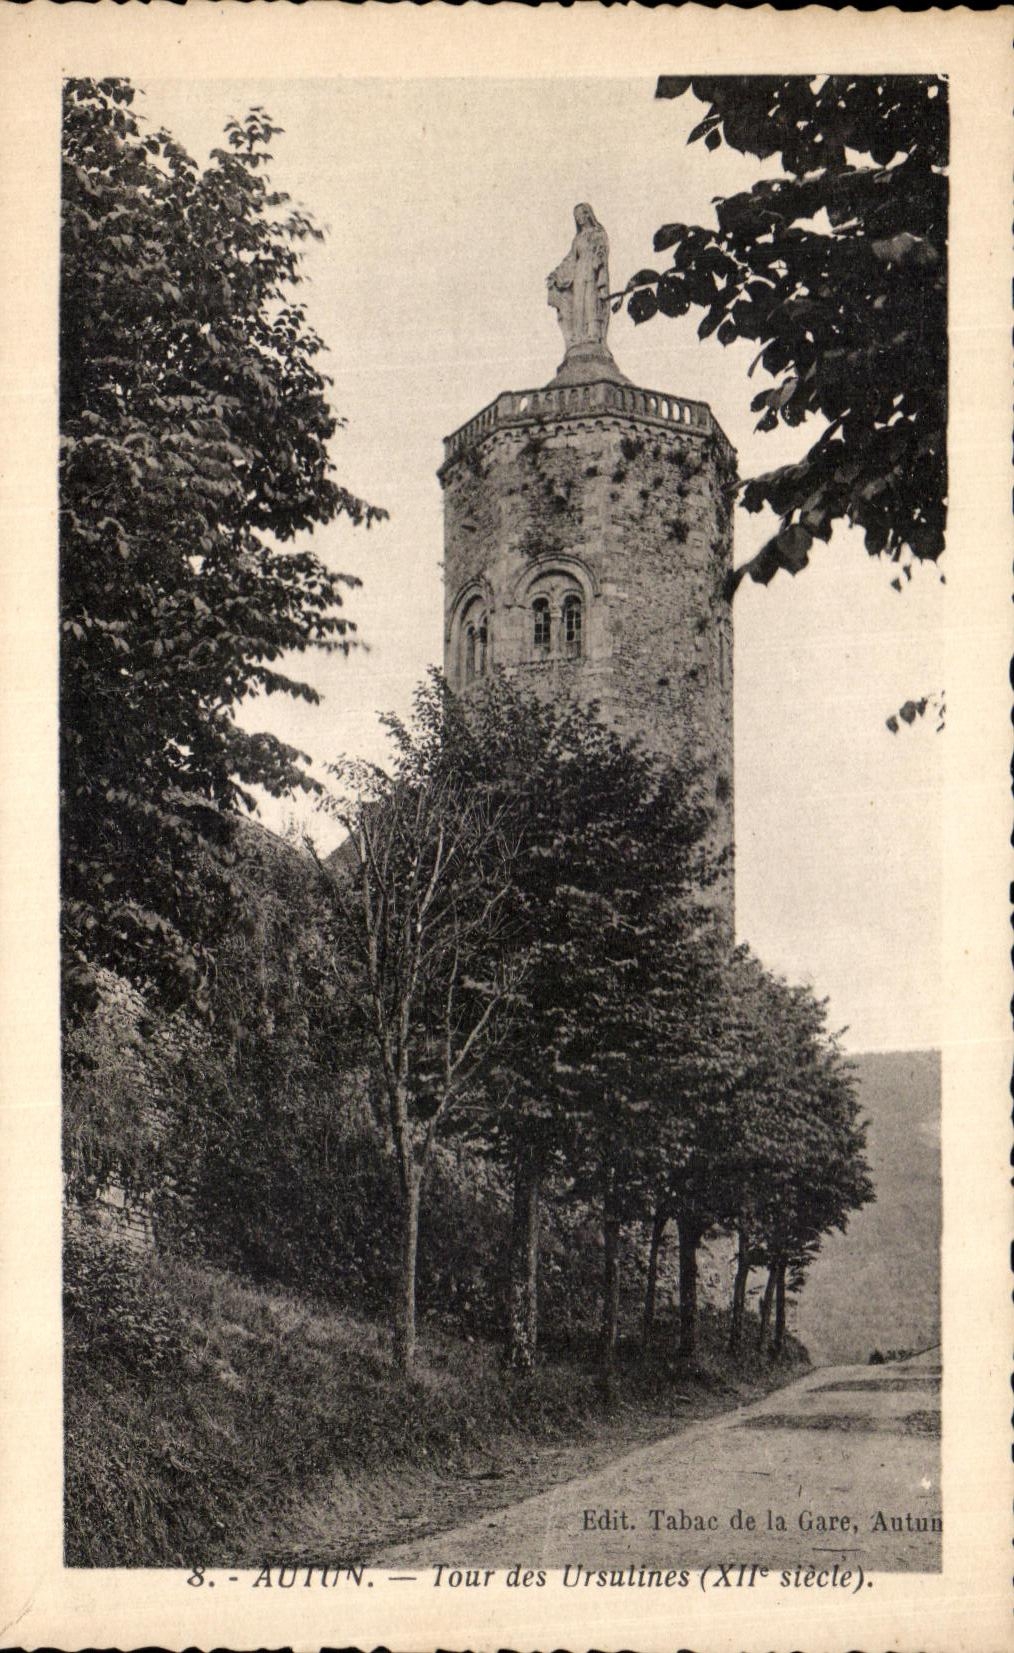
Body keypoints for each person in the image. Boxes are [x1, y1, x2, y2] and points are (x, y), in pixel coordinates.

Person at [547, 204, 611, 351]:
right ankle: (579, 336)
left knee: (591, 302)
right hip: (579, 273)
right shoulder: (578, 239)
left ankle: (593, 334)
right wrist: (556, 275)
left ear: (588, 214)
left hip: (592, 272)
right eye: (576, 217)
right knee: (578, 304)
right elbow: (570, 259)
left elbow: (602, 252)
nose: (579, 219)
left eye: (580, 215)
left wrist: (598, 261)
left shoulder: (598, 233)